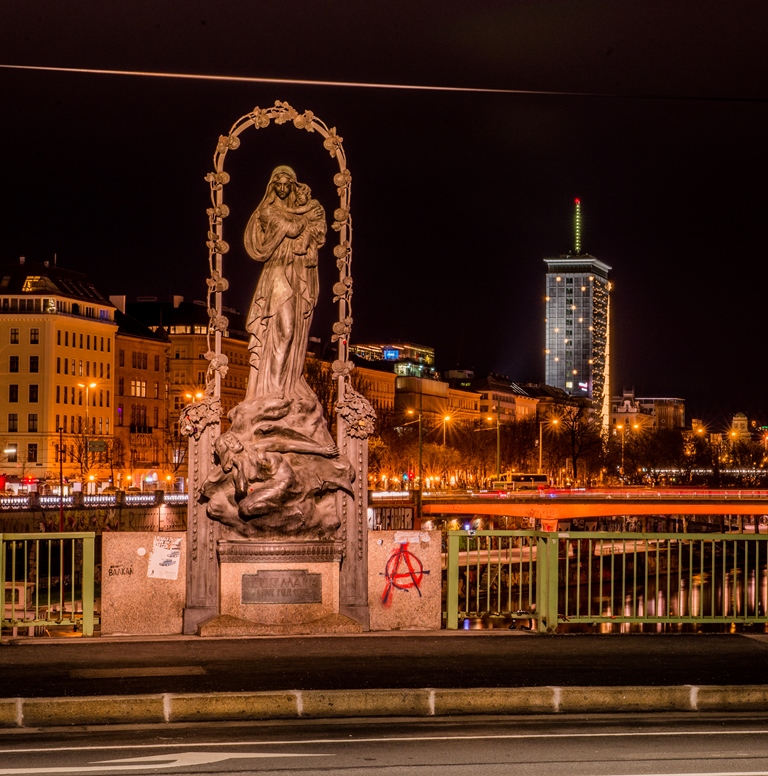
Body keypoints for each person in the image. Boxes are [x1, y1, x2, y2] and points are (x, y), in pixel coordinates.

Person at [243, 166, 326, 400]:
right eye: (277, 184)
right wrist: (306, 217)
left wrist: (308, 217)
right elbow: (292, 228)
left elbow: (319, 231)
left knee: (298, 331)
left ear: (293, 185)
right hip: (278, 273)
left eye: (286, 184)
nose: (281, 189)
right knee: (286, 329)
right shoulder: (267, 211)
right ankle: (273, 390)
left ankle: (289, 383)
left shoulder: (302, 208)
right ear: (272, 186)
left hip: (299, 272)